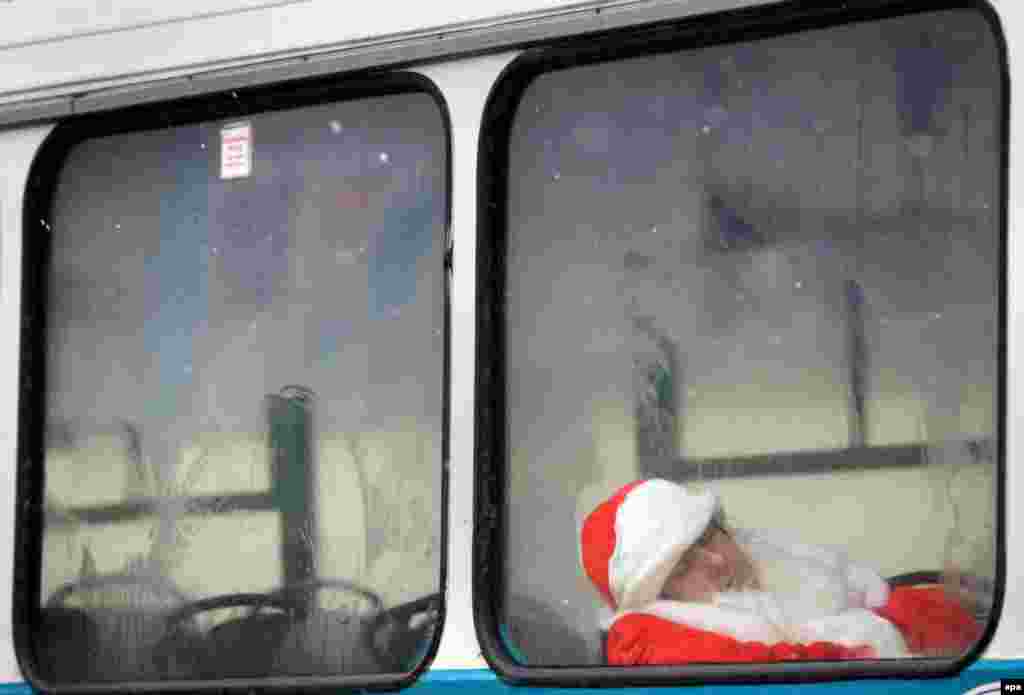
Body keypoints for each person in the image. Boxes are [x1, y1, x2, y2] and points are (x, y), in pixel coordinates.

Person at [580, 479, 982, 665]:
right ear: (659, 598)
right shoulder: (652, 642)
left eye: (709, 538)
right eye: (684, 566)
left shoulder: (792, 579)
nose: (717, 562)